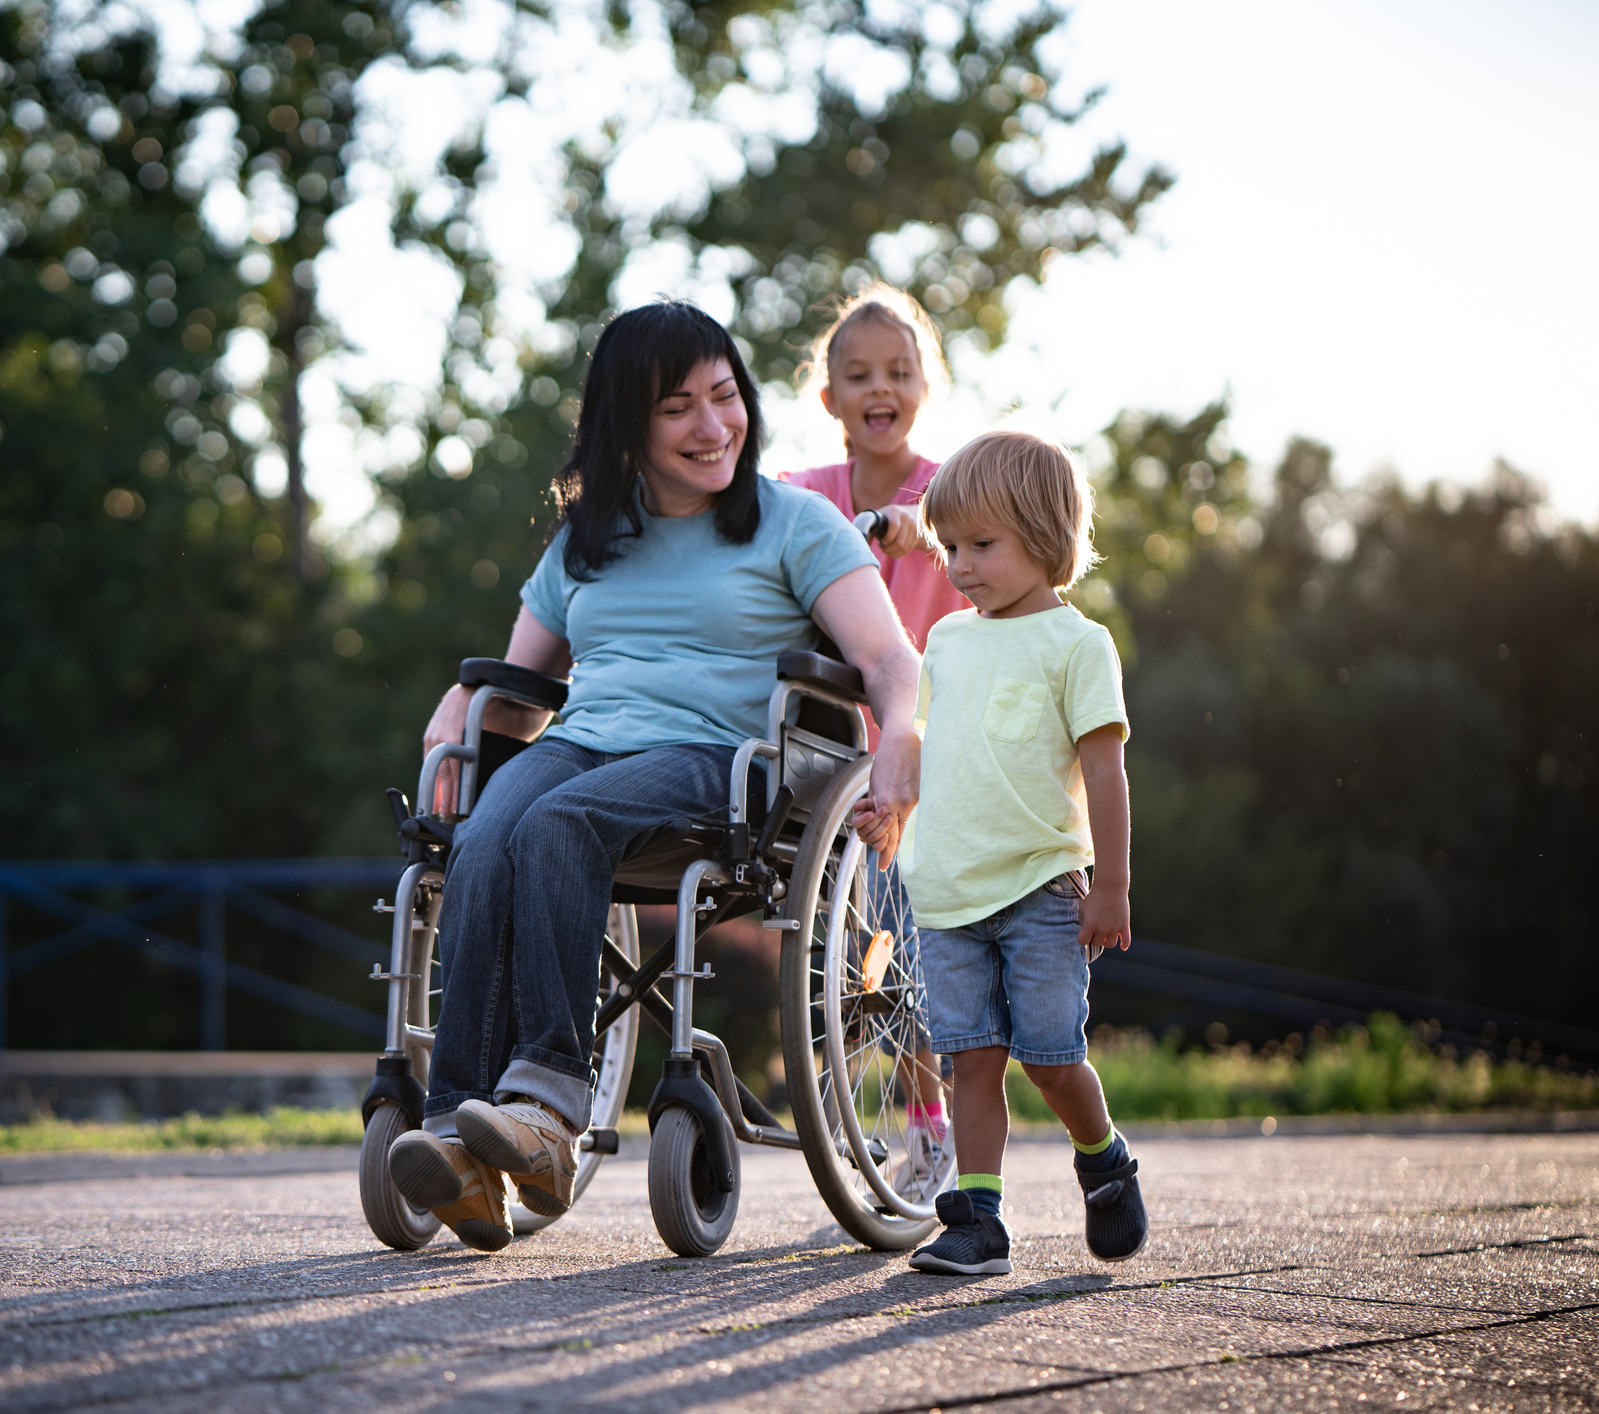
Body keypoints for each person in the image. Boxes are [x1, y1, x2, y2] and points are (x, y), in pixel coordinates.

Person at [386, 301, 925, 1252]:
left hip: (720, 756)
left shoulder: (796, 525)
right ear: (626, 424)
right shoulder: (589, 540)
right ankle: (457, 1133)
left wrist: (902, 732)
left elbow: (885, 659)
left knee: (559, 824)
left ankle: (548, 1112)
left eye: (724, 398)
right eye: (679, 408)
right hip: (584, 738)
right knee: (484, 837)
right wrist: (458, 710)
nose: (713, 428)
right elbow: (521, 687)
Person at [889, 429, 1149, 1276]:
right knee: (972, 1059)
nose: (959, 565)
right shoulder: (949, 642)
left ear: (1044, 538)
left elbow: (1106, 773)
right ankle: (980, 1220)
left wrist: (1110, 884)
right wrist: (893, 795)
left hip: (1043, 888)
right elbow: (944, 745)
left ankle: (1103, 1157)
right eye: (950, 546)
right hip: (950, 893)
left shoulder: (1079, 646)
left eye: (982, 545)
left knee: (1051, 1058)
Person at [778, 287, 966, 1204]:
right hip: (829, 757)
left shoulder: (950, 490)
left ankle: (932, 1130)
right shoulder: (810, 496)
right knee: (850, 950)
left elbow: (978, 537)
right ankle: (858, 1108)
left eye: (897, 371)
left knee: (914, 949)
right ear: (829, 399)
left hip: (926, 751)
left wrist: (917, 531)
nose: (878, 388)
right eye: (858, 375)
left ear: (925, 386)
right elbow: (757, 517)